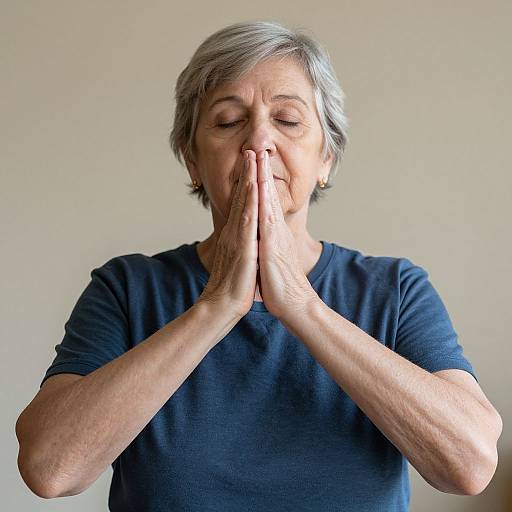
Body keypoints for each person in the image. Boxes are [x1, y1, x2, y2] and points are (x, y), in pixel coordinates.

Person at [16, 20, 502, 512]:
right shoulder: (126, 288)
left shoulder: (394, 291)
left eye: (288, 120)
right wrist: (215, 307)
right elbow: (52, 469)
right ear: (191, 160)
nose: (259, 141)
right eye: (228, 121)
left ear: (326, 157)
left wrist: (300, 306)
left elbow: (470, 464)